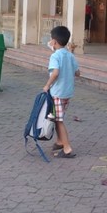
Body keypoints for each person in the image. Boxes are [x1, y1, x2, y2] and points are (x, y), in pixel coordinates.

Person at [43, 26, 81, 158]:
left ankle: (67, 148)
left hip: (57, 93)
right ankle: (60, 142)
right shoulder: (70, 55)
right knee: (57, 118)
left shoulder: (55, 56)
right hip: (67, 92)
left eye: (50, 40)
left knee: (58, 121)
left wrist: (47, 85)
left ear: (54, 42)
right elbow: (78, 73)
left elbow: (55, 72)